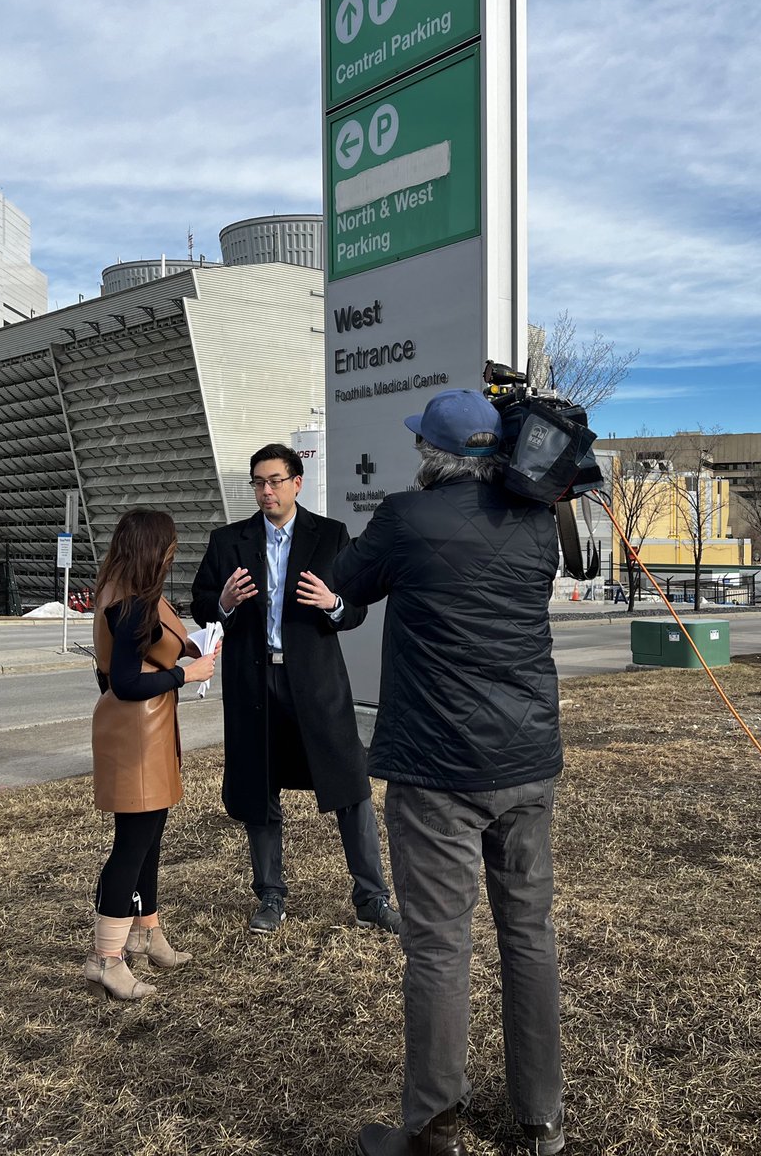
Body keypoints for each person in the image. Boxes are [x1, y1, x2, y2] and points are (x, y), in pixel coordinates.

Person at [334, 389, 567, 1156]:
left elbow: (350, 584)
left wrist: (327, 592)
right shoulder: (539, 524)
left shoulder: (406, 517)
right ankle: (541, 1120)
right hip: (526, 761)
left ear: (429, 454)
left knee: (438, 945)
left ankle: (435, 1124)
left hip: (437, 769)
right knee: (528, 935)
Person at [190, 443, 400, 936]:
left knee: (350, 783)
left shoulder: (330, 536)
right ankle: (270, 895)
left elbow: (356, 608)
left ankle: (371, 897)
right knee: (258, 788)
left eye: (276, 481)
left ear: (297, 482)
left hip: (316, 682)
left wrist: (332, 603)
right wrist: (221, 602)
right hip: (253, 683)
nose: (267, 491)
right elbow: (201, 604)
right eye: (259, 482)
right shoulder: (228, 541)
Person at [84, 509, 218, 1002]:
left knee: (147, 838)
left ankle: (145, 932)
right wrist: (189, 673)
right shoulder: (134, 602)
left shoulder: (122, 589)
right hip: (137, 729)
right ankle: (107, 958)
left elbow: (142, 657)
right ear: (152, 549)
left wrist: (184, 655)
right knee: (132, 845)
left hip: (144, 728)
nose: (172, 553)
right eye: (169, 545)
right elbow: (126, 681)